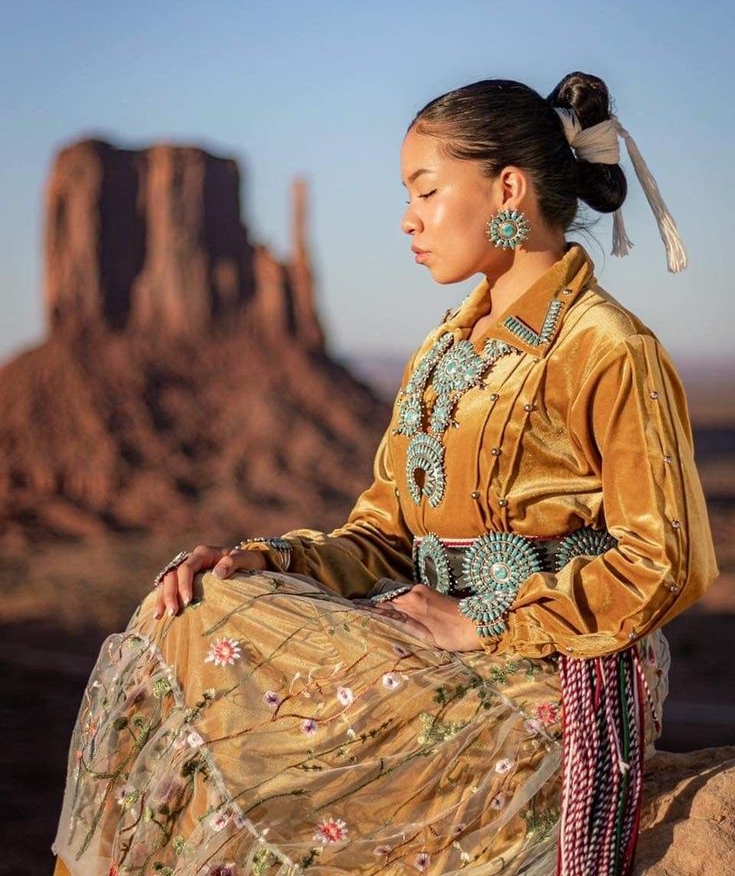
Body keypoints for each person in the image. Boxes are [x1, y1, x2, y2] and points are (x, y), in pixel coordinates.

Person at [51, 71, 718, 876]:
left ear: (507, 188)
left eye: (426, 191)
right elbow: (381, 539)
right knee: (194, 610)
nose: (408, 219)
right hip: (433, 633)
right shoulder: (443, 352)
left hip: (559, 665)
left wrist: (484, 624)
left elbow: (665, 560)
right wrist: (268, 560)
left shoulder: (605, 347)